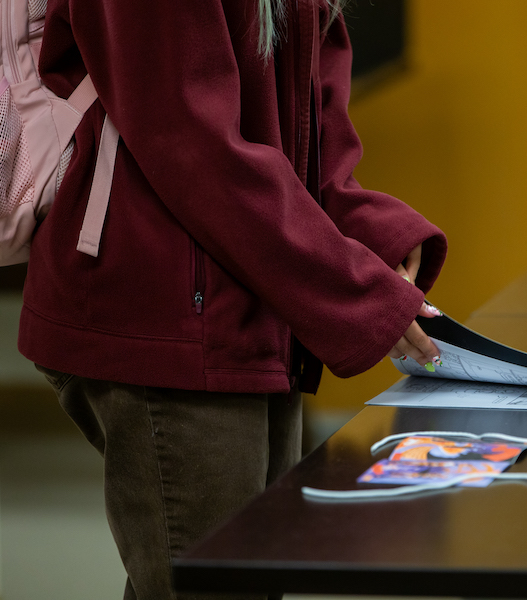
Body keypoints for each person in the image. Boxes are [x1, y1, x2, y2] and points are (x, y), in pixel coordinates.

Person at [18, 0, 447, 598]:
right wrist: (348, 282)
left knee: (241, 579)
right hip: (162, 311)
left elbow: (308, 113)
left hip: (253, 300)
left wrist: (365, 228)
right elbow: (190, 139)